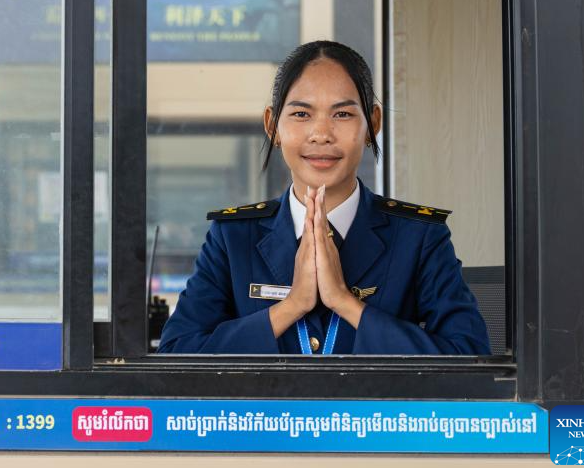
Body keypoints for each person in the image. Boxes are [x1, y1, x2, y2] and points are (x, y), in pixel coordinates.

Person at [157, 40, 491, 355]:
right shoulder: (233, 236)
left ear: (373, 124)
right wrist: (292, 306)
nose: (321, 134)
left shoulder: (418, 236)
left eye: (342, 114)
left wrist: (346, 303)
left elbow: (470, 355)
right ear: (272, 126)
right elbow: (177, 352)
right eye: (301, 114)